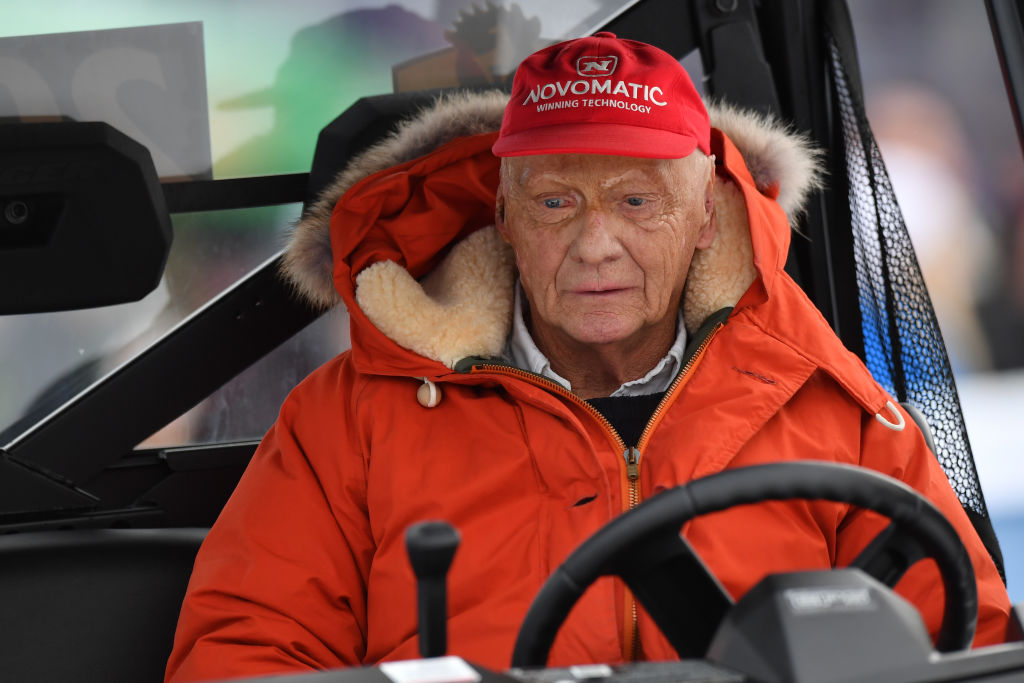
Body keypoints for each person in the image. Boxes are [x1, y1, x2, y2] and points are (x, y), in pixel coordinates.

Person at [165, 33, 1012, 682]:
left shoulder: (824, 394)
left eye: (638, 200)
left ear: (708, 217)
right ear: (503, 216)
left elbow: (969, 639)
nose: (595, 244)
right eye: (556, 201)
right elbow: (242, 654)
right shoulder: (348, 418)